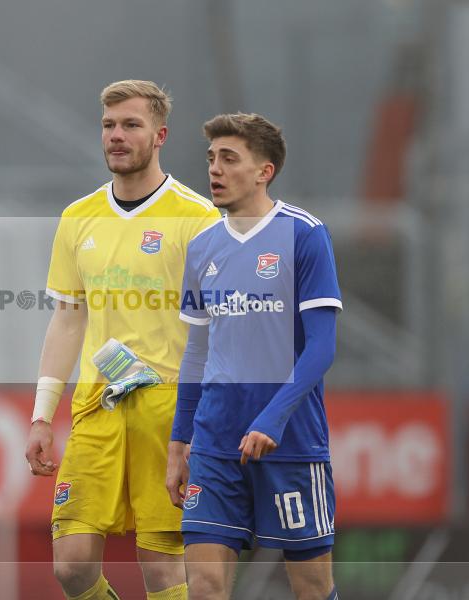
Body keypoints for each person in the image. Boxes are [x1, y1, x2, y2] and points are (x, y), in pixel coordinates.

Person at [24, 80, 222, 600]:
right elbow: (68, 321)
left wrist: (205, 417)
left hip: (170, 409)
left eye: (131, 124)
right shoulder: (78, 217)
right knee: (71, 566)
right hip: (99, 405)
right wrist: (42, 416)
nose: (116, 135)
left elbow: (218, 327)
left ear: (160, 135)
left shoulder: (198, 218)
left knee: (161, 569)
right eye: (109, 125)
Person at [166, 113, 342, 600]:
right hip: (214, 443)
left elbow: (321, 347)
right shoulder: (202, 247)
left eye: (229, 158)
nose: (214, 169)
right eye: (211, 158)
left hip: (290, 442)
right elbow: (197, 351)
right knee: (204, 587)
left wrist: (272, 419)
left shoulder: (304, 234)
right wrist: (179, 442)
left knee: (311, 589)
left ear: (264, 171)